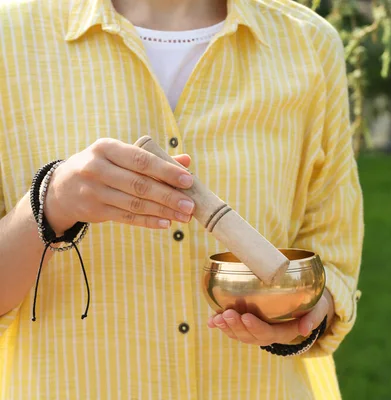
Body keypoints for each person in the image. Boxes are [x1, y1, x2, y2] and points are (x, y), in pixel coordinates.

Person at [0, 0, 364, 398]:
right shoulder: (10, 37)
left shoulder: (307, 43)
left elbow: (334, 266)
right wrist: (51, 202)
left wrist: (298, 321)